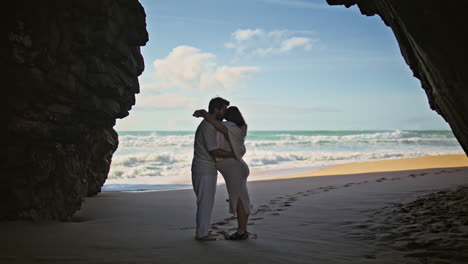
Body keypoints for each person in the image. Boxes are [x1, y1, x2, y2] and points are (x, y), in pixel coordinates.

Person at [193, 106, 251, 240]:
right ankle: (243, 231)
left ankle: (241, 232)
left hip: (233, 168)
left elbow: (218, 127)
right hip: (239, 166)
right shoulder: (241, 127)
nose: (223, 114)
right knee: (242, 198)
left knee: (238, 200)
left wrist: (204, 114)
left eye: (225, 112)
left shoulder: (229, 126)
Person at [191, 97, 234, 241]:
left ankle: (203, 231)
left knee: (206, 202)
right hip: (204, 170)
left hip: (204, 169)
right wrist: (234, 153)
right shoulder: (208, 127)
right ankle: (202, 234)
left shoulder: (209, 124)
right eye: (224, 109)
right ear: (216, 110)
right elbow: (214, 150)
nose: (225, 113)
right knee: (205, 202)